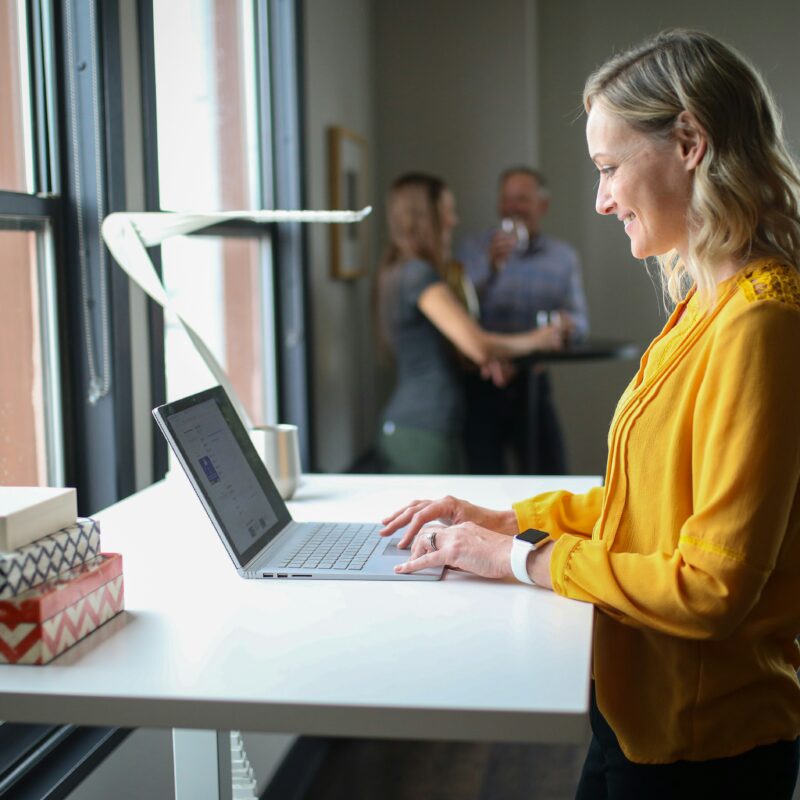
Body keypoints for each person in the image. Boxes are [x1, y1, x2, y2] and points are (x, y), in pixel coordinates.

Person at [379, 30, 800, 799]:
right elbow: (651, 509)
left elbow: (710, 589)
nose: (601, 199)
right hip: (635, 711)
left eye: (609, 169)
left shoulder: (760, 322)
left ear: (689, 142)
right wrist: (507, 520)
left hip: (702, 748)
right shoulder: (704, 306)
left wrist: (521, 562)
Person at [376, 172, 564, 475]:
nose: (453, 220)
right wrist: (538, 340)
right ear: (425, 217)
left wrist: (485, 360)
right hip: (422, 430)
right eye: (447, 211)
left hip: (420, 428)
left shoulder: (403, 270)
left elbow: (455, 345)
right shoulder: (419, 276)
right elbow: (478, 343)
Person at [458, 167, 589, 475]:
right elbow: (457, 311)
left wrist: (567, 328)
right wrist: (490, 269)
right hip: (482, 381)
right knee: (484, 481)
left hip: (533, 381)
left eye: (522, 199)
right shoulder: (473, 249)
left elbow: (580, 322)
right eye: (506, 199)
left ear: (541, 206)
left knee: (550, 475)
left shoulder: (563, 257)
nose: (512, 207)